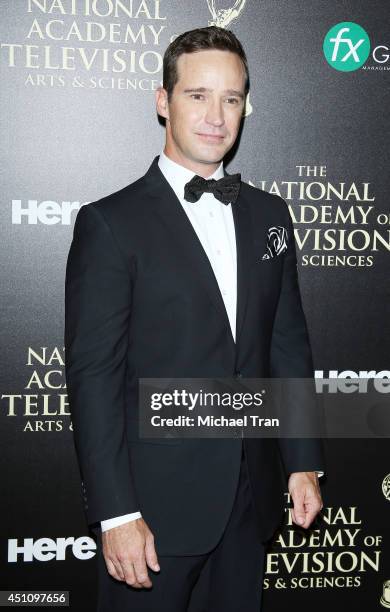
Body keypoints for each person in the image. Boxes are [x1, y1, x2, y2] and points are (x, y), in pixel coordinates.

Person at [64, 25, 325, 612]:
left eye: (231, 99)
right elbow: (94, 381)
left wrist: (303, 461)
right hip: (151, 514)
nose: (216, 115)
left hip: (248, 498)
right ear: (163, 102)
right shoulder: (110, 224)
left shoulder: (269, 215)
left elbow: (288, 345)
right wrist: (117, 512)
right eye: (197, 95)